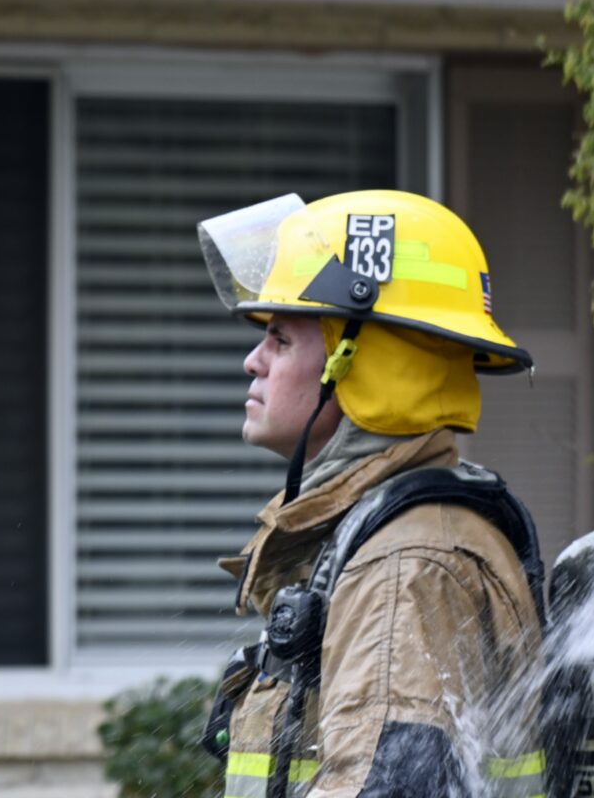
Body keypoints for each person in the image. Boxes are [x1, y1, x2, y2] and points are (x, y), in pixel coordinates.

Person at [197, 191, 547, 798]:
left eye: (281, 339)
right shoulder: (385, 537)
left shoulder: (404, 568)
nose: (254, 361)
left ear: (364, 365)